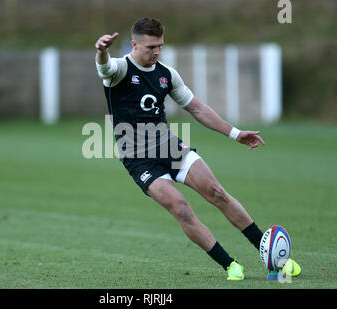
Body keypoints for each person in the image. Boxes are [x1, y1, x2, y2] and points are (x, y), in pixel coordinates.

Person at [94, 17, 300, 281]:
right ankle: (230, 265)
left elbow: (198, 108)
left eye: (160, 46)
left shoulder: (166, 75)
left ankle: (271, 255)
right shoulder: (120, 70)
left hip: (168, 145)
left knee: (217, 193)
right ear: (134, 44)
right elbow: (105, 67)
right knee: (181, 208)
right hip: (138, 159)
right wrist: (101, 51)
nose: (157, 52)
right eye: (151, 47)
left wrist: (235, 134)